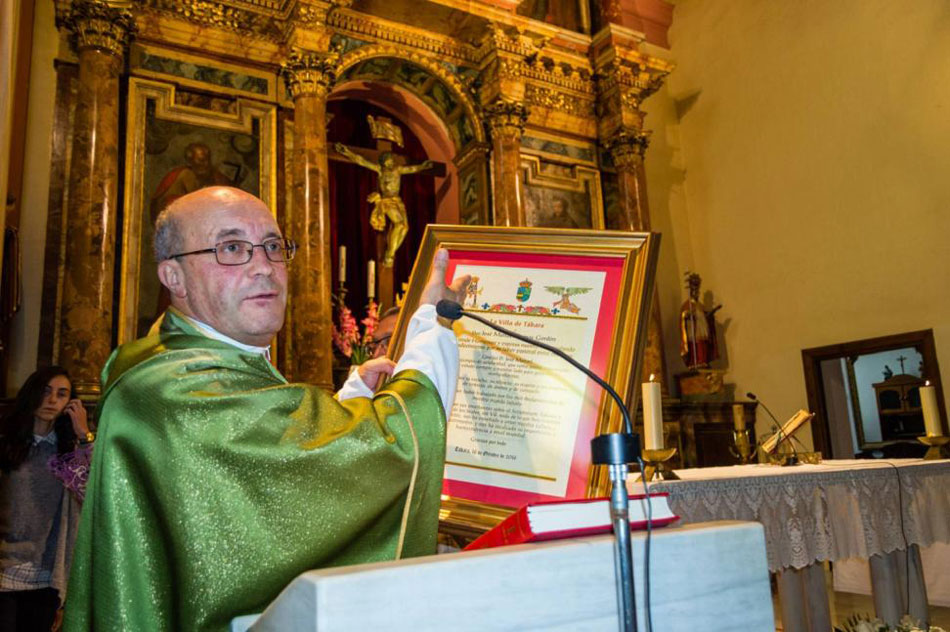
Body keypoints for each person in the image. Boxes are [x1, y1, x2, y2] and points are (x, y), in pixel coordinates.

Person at [64, 186, 469, 632]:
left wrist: (351, 401)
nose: (264, 267)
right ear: (173, 277)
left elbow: (264, 499)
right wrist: (432, 323)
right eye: (232, 248)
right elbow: (394, 446)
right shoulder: (175, 390)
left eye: (273, 247)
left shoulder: (183, 361)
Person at [0, 366, 92, 632]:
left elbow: (89, 497)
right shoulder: (8, 442)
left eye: (61, 394)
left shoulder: (66, 451)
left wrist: (84, 436)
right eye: (46, 391)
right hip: (4, 572)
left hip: (45, 577)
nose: (52, 400)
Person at [334, 142, 433, 266]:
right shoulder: (380, 170)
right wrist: (347, 152)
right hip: (387, 201)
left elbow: (412, 169)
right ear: (383, 162)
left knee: (405, 228)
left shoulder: (398, 170)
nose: (391, 162)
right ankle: (390, 255)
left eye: (392, 160)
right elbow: (362, 161)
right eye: (388, 160)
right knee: (399, 224)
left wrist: (422, 167)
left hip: (398, 201)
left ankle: (390, 252)